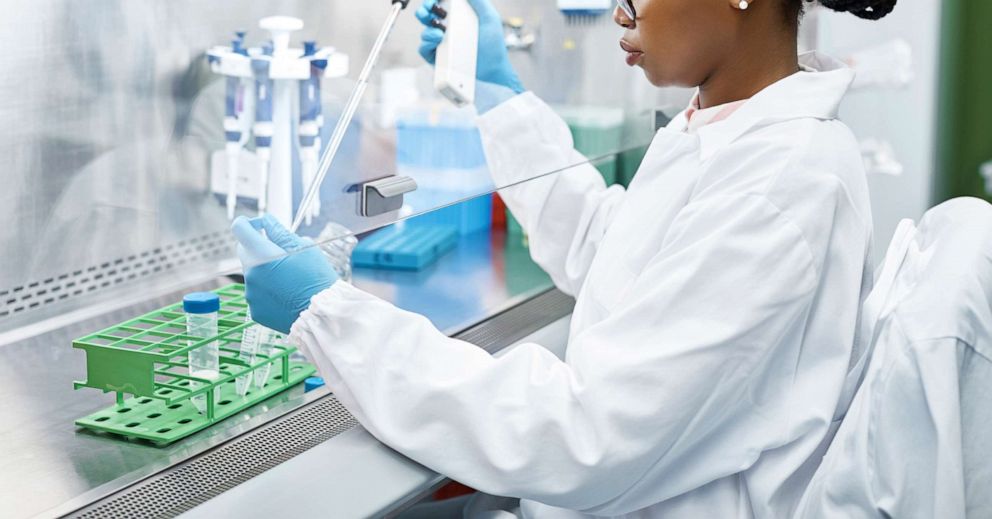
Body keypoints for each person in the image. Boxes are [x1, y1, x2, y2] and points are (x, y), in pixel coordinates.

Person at [232, 0, 898, 516]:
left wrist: (326, 313)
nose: (621, 13)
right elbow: (613, 250)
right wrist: (500, 92)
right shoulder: (724, 128)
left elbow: (588, 437)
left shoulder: (782, 180)